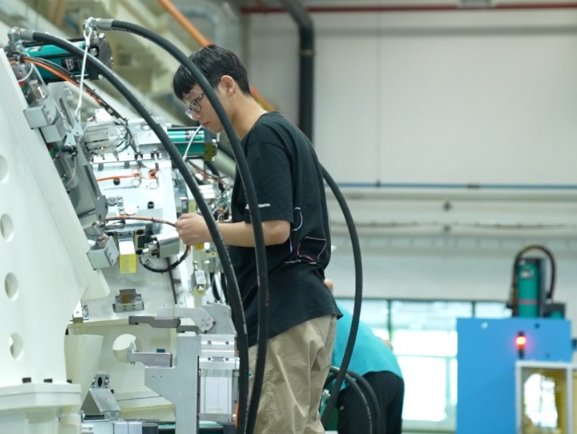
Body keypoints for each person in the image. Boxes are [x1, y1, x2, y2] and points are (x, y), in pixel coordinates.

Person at [172, 45, 339, 434]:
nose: (196, 116)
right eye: (190, 108)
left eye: (197, 102)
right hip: (305, 310)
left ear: (227, 86)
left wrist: (207, 230)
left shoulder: (263, 138)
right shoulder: (281, 132)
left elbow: (275, 228)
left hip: (283, 314)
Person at [325, 279, 404, 434]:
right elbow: (388, 344)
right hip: (392, 372)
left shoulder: (312, 307)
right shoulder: (336, 312)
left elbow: (327, 283)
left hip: (363, 375)